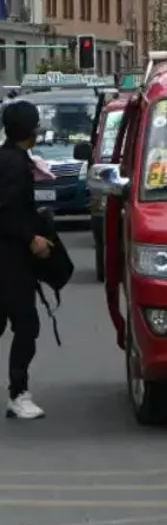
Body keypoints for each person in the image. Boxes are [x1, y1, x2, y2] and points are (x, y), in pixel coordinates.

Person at [0, 101, 54, 420]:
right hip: (9, 262)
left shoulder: (12, 159)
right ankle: (19, 394)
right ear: (29, 131)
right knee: (26, 325)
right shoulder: (13, 166)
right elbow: (5, 212)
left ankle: (18, 392)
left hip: (12, 260)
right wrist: (30, 238)